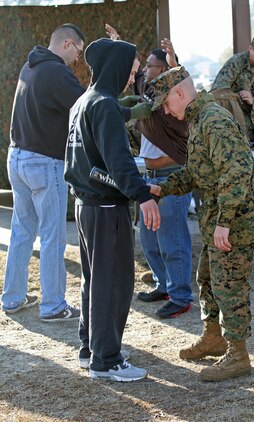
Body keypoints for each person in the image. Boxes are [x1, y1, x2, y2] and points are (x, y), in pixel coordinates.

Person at [148, 66, 254, 381]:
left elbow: (238, 170)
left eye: (166, 103)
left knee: (229, 286)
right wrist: (163, 188)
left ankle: (238, 356)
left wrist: (225, 221)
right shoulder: (199, 120)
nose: (166, 111)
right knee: (208, 278)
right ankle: (214, 338)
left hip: (235, 222)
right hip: (220, 220)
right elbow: (199, 171)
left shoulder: (213, 121)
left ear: (181, 94)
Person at [64, 38, 160, 382]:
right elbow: (118, 162)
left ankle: (91, 348)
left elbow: (105, 119)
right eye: (131, 72)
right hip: (106, 207)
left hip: (85, 205)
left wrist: (130, 110)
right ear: (116, 69)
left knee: (94, 280)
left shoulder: (84, 102)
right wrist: (142, 193)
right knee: (114, 282)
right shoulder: (103, 105)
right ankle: (107, 359)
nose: (132, 79)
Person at [105, 24, 193, 319]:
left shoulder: (175, 96)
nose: (144, 71)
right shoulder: (147, 91)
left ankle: (181, 296)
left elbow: (185, 82)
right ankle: (163, 285)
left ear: (163, 68)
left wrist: (175, 62)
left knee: (173, 240)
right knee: (150, 237)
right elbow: (133, 79)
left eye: (150, 67)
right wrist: (119, 43)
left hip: (172, 177)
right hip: (150, 179)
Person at [1, 23, 86, 321]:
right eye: (78, 51)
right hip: (44, 162)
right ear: (66, 43)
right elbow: (87, 106)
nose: (77, 60)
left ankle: (12, 298)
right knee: (52, 235)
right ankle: (53, 305)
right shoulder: (57, 73)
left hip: (17, 158)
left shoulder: (30, 66)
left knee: (22, 232)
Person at [210, 29, 254, 235]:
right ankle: (235, 224)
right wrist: (240, 99)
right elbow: (218, 92)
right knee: (239, 176)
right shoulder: (235, 65)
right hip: (236, 132)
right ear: (250, 48)